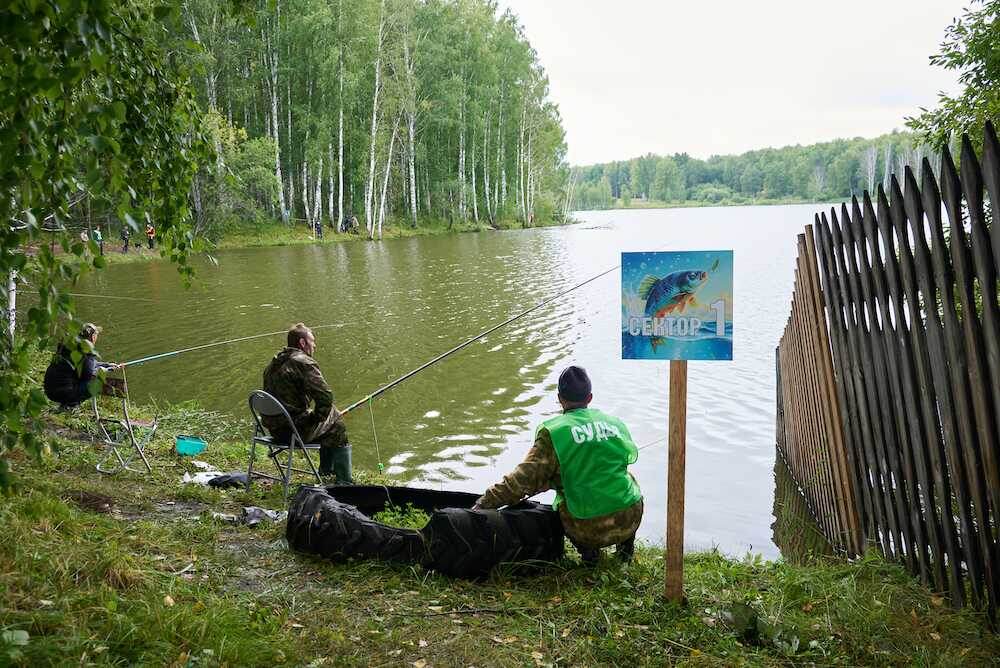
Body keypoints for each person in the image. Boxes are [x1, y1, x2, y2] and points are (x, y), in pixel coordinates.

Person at [474, 366, 643, 563]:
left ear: (560, 398)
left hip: (588, 529)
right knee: (628, 480)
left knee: (562, 504)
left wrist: (482, 504)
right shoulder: (615, 423)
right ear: (589, 398)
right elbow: (622, 461)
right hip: (630, 517)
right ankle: (625, 552)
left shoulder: (554, 432)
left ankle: (590, 555)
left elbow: (520, 481)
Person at [262, 323, 353, 483]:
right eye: (312, 341)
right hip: (294, 433)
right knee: (336, 422)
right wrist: (317, 418)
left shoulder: (273, 364)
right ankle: (343, 482)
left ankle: (326, 473)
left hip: (275, 431)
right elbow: (325, 397)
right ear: (302, 343)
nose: (315, 345)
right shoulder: (303, 362)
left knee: (329, 418)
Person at [43, 323, 123, 409]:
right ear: (92, 337)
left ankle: (66, 404)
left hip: (49, 391)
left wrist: (107, 365)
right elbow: (87, 375)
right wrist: (103, 370)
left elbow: (88, 365)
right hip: (64, 393)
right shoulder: (87, 350)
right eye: (96, 335)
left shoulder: (68, 346)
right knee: (98, 383)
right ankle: (71, 405)